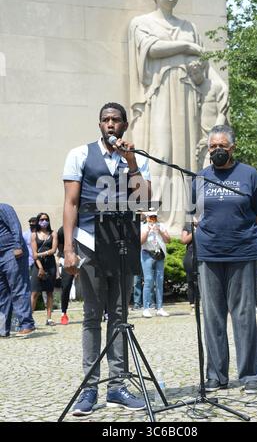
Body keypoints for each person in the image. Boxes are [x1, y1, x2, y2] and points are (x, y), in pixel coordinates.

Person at [62, 102, 151, 416]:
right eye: (105, 120)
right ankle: (89, 389)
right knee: (91, 316)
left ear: (125, 125)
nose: (110, 124)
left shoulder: (135, 158)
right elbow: (71, 203)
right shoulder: (80, 154)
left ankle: (117, 387)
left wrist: (132, 162)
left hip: (123, 243)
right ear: (99, 124)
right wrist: (69, 248)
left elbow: (143, 201)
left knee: (119, 316)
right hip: (89, 242)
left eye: (116, 120)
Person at [128, 0, 228, 231]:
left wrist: (217, 87)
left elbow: (205, 68)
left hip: (186, 96)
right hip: (159, 94)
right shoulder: (142, 23)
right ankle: (154, 218)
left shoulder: (189, 26)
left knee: (185, 159)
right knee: (159, 152)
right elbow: (150, 49)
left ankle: (184, 219)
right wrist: (186, 47)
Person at [192, 125, 257, 395]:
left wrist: (238, 232)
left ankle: (250, 375)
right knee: (212, 317)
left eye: (221, 146)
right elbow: (195, 213)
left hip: (243, 253)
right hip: (209, 254)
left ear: (232, 148)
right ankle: (216, 376)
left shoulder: (249, 175)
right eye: (212, 146)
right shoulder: (199, 178)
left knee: (244, 315)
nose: (216, 150)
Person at [0, 203, 35, 337]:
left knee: (18, 288)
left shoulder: (4, 208)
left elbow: (15, 225)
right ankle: (3, 329)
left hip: (12, 252)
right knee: (2, 292)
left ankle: (26, 324)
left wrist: (17, 246)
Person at [141, 212, 170, 318]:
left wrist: (160, 232)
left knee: (160, 281)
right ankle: (146, 308)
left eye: (154, 217)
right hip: (147, 253)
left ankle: (160, 307)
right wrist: (148, 230)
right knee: (148, 280)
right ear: (147, 218)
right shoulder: (143, 227)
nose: (153, 219)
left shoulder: (161, 226)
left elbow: (168, 240)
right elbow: (140, 241)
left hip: (159, 254)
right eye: (151, 217)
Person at [30, 213, 58, 326]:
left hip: (50, 265)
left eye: (46, 219)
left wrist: (41, 254)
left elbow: (53, 250)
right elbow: (34, 255)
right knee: (35, 292)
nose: (44, 221)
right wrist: (40, 267)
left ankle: (49, 318)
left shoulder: (53, 233)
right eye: (42, 219)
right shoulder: (33, 235)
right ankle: (30, 320)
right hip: (38, 266)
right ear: (38, 221)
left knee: (50, 292)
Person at [57, 226, 75, 325]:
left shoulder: (85, 225)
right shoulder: (62, 230)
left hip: (84, 257)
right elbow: (60, 247)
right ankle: (64, 313)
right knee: (66, 286)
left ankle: (105, 312)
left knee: (96, 284)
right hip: (68, 259)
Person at [181, 219, 198, 315]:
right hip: (191, 255)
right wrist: (195, 231)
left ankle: (204, 304)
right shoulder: (188, 225)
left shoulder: (206, 224)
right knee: (191, 281)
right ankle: (192, 305)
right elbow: (183, 240)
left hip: (203, 255)